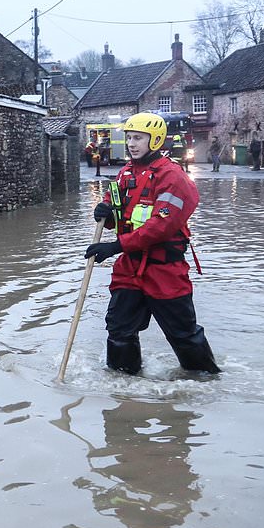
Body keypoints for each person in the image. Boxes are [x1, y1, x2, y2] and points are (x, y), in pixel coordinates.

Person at [85, 112, 220, 375]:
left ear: (155, 140)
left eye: (138, 138)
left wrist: (115, 247)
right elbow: (118, 213)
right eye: (129, 138)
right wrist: (105, 212)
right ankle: (124, 388)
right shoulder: (125, 174)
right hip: (130, 269)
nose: (131, 144)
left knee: (182, 334)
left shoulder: (173, 177)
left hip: (164, 270)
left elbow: (160, 227)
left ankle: (204, 383)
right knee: (119, 330)